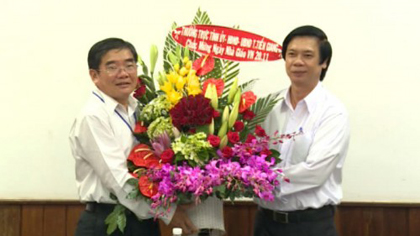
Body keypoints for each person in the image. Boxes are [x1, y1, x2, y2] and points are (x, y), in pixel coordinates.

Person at [69, 38, 197, 236]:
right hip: (107, 223)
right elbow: (118, 179)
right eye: (112, 67)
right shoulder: (93, 116)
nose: (124, 74)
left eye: (129, 65)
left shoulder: (139, 107)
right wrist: (168, 212)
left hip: (143, 221)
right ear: (94, 75)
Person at [253, 26, 350, 236]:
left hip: (310, 225)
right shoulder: (268, 106)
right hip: (265, 223)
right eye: (291, 54)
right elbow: (250, 152)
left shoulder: (333, 112)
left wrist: (259, 179)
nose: (298, 62)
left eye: (307, 55)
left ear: (323, 63)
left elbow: (315, 172)